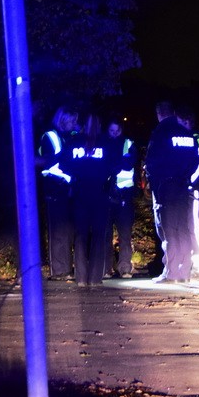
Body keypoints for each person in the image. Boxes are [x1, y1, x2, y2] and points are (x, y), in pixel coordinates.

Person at [145, 101, 199, 283]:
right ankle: (184, 271)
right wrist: (185, 177)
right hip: (183, 186)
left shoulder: (161, 132)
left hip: (165, 187)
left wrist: (154, 183)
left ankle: (171, 272)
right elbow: (196, 160)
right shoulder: (186, 133)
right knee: (184, 229)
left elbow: (152, 162)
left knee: (168, 230)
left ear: (159, 114)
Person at [62, 112, 120, 287]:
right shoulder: (106, 144)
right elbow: (115, 167)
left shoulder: (74, 142)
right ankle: (95, 278)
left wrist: (76, 176)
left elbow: (64, 164)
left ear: (83, 125)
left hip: (79, 193)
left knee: (80, 236)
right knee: (98, 236)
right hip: (100, 194)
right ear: (100, 126)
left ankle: (81, 277)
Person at [37, 105, 78, 280]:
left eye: (75, 120)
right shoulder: (50, 136)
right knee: (59, 231)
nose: (74, 123)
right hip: (55, 188)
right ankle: (60, 270)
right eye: (71, 120)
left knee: (71, 231)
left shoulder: (74, 136)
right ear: (62, 119)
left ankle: (69, 268)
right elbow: (48, 162)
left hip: (72, 189)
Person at [176, 105, 199, 276]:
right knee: (187, 225)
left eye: (182, 122)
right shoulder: (186, 139)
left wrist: (190, 183)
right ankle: (194, 257)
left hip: (196, 189)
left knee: (195, 226)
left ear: (188, 122)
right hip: (188, 188)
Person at [106, 118, 137, 278]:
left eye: (117, 131)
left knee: (125, 234)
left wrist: (112, 166)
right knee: (105, 234)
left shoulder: (128, 143)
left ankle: (125, 267)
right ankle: (106, 268)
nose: (114, 134)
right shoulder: (103, 143)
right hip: (106, 194)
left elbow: (129, 163)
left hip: (124, 195)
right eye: (111, 131)